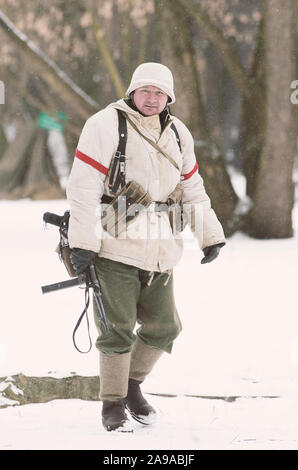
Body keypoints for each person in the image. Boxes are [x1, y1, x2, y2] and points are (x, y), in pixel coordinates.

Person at [66, 62, 226, 432]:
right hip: (114, 245)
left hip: (162, 247)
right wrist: (84, 242)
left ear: (169, 97)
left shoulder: (179, 133)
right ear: (132, 92)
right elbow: (83, 187)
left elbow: (192, 188)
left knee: (164, 327)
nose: (152, 99)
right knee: (117, 327)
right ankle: (111, 404)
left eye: (160, 93)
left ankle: (131, 387)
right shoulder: (104, 124)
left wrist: (210, 235)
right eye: (145, 91)